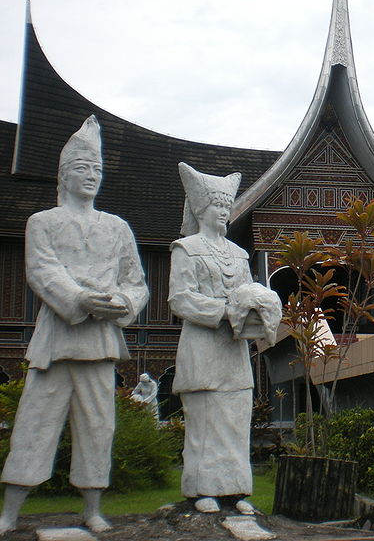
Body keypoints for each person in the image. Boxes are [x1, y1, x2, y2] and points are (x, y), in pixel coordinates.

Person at [0, 115, 149, 533]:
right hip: (58, 339)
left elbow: (135, 282)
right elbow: (43, 272)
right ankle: (10, 511)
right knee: (35, 424)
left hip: (101, 342)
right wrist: (80, 299)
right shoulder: (43, 222)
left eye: (97, 170)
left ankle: (92, 509)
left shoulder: (117, 228)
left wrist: (121, 302)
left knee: (99, 426)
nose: (91, 176)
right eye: (83, 169)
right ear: (64, 176)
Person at [169, 162, 280, 515]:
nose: (223, 212)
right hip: (201, 349)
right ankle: (203, 488)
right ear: (201, 209)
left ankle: (235, 490)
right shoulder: (184, 248)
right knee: (204, 420)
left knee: (234, 419)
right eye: (217, 206)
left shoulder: (239, 254)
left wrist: (258, 308)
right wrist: (224, 311)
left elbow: (246, 292)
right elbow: (180, 298)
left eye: (226, 206)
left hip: (233, 350)